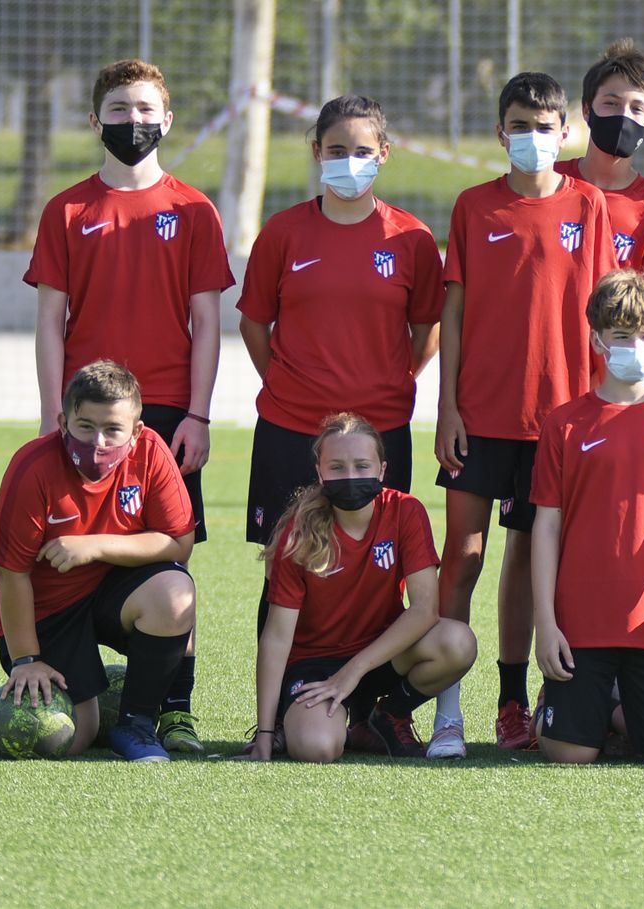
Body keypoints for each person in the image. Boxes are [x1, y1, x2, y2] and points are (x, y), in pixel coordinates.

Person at [25, 59, 234, 753]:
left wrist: (198, 414)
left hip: (168, 413)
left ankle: (172, 705)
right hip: (87, 415)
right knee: (70, 546)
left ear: (168, 120)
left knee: (175, 565)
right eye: (118, 109)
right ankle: (67, 668)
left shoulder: (194, 209)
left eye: (146, 109)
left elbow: (208, 321)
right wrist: (54, 414)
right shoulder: (68, 210)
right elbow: (50, 321)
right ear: (95, 121)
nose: (133, 122)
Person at [434, 72, 617, 757]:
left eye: (546, 127)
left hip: (561, 419)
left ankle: (512, 701)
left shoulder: (589, 203)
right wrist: (447, 404)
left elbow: (605, 309)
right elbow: (452, 311)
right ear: (499, 132)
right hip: (480, 413)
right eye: (520, 125)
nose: (533, 138)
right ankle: (446, 709)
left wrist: (598, 405)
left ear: (565, 131)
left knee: (523, 556)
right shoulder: (473, 206)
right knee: (464, 556)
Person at [239, 94, 441, 639]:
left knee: (378, 573)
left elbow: (427, 329)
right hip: (290, 426)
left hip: (381, 432)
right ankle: (276, 713)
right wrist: (283, 381)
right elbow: (254, 323)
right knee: (285, 566)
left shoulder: (413, 239)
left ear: (384, 155)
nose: (348, 161)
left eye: (361, 150)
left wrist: (396, 382)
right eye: (336, 149)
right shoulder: (282, 233)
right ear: (315, 152)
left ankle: (370, 710)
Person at [531, 271, 644, 766]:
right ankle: (590, 708)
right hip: (581, 622)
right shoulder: (564, 424)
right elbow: (546, 526)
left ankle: (615, 709)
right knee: (568, 756)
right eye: (623, 337)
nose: (636, 347)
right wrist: (546, 623)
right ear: (596, 340)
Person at [0, 361, 197, 762]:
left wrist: (94, 546)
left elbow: (178, 543)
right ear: (63, 422)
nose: (98, 442)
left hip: (110, 593)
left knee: (175, 590)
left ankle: (136, 724)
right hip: (48, 611)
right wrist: (26, 660)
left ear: (135, 432)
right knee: (71, 736)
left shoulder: (152, 452)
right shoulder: (32, 468)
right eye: (85, 426)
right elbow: (11, 573)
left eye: (112, 429)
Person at [246, 414, 476, 763]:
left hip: (381, 656)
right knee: (317, 748)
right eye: (337, 467)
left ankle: (385, 716)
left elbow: (425, 609)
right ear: (320, 472)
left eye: (362, 465)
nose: (351, 476)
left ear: (382, 470)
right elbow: (276, 637)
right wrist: (264, 733)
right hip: (316, 668)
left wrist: (352, 672)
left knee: (457, 642)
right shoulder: (300, 529)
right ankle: (301, 722)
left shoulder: (406, 511)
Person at [556, 39, 644, 294]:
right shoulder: (550, 182)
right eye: (611, 103)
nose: (624, 116)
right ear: (587, 110)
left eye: (637, 108)